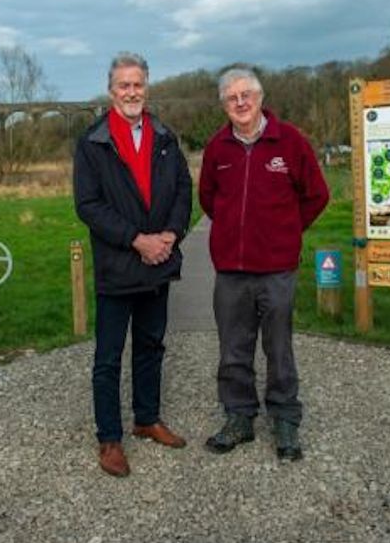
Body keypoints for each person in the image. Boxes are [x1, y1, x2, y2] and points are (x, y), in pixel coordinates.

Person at [198, 66, 330, 461]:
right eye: (231, 97)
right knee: (233, 348)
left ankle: (285, 419)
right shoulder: (217, 148)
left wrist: (287, 232)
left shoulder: (289, 141)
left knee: (279, 347)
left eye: (246, 95)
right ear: (224, 104)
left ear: (259, 97)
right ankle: (239, 416)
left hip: (276, 269)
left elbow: (317, 195)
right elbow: (209, 200)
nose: (240, 103)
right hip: (232, 271)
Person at [73, 52, 193, 477]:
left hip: (157, 262)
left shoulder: (164, 136)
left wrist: (170, 235)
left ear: (147, 87)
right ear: (111, 90)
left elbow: (182, 188)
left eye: (137, 84)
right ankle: (109, 439)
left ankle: (147, 419)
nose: (131, 92)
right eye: (123, 85)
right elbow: (88, 205)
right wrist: (136, 240)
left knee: (151, 347)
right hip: (117, 267)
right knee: (108, 358)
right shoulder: (92, 142)